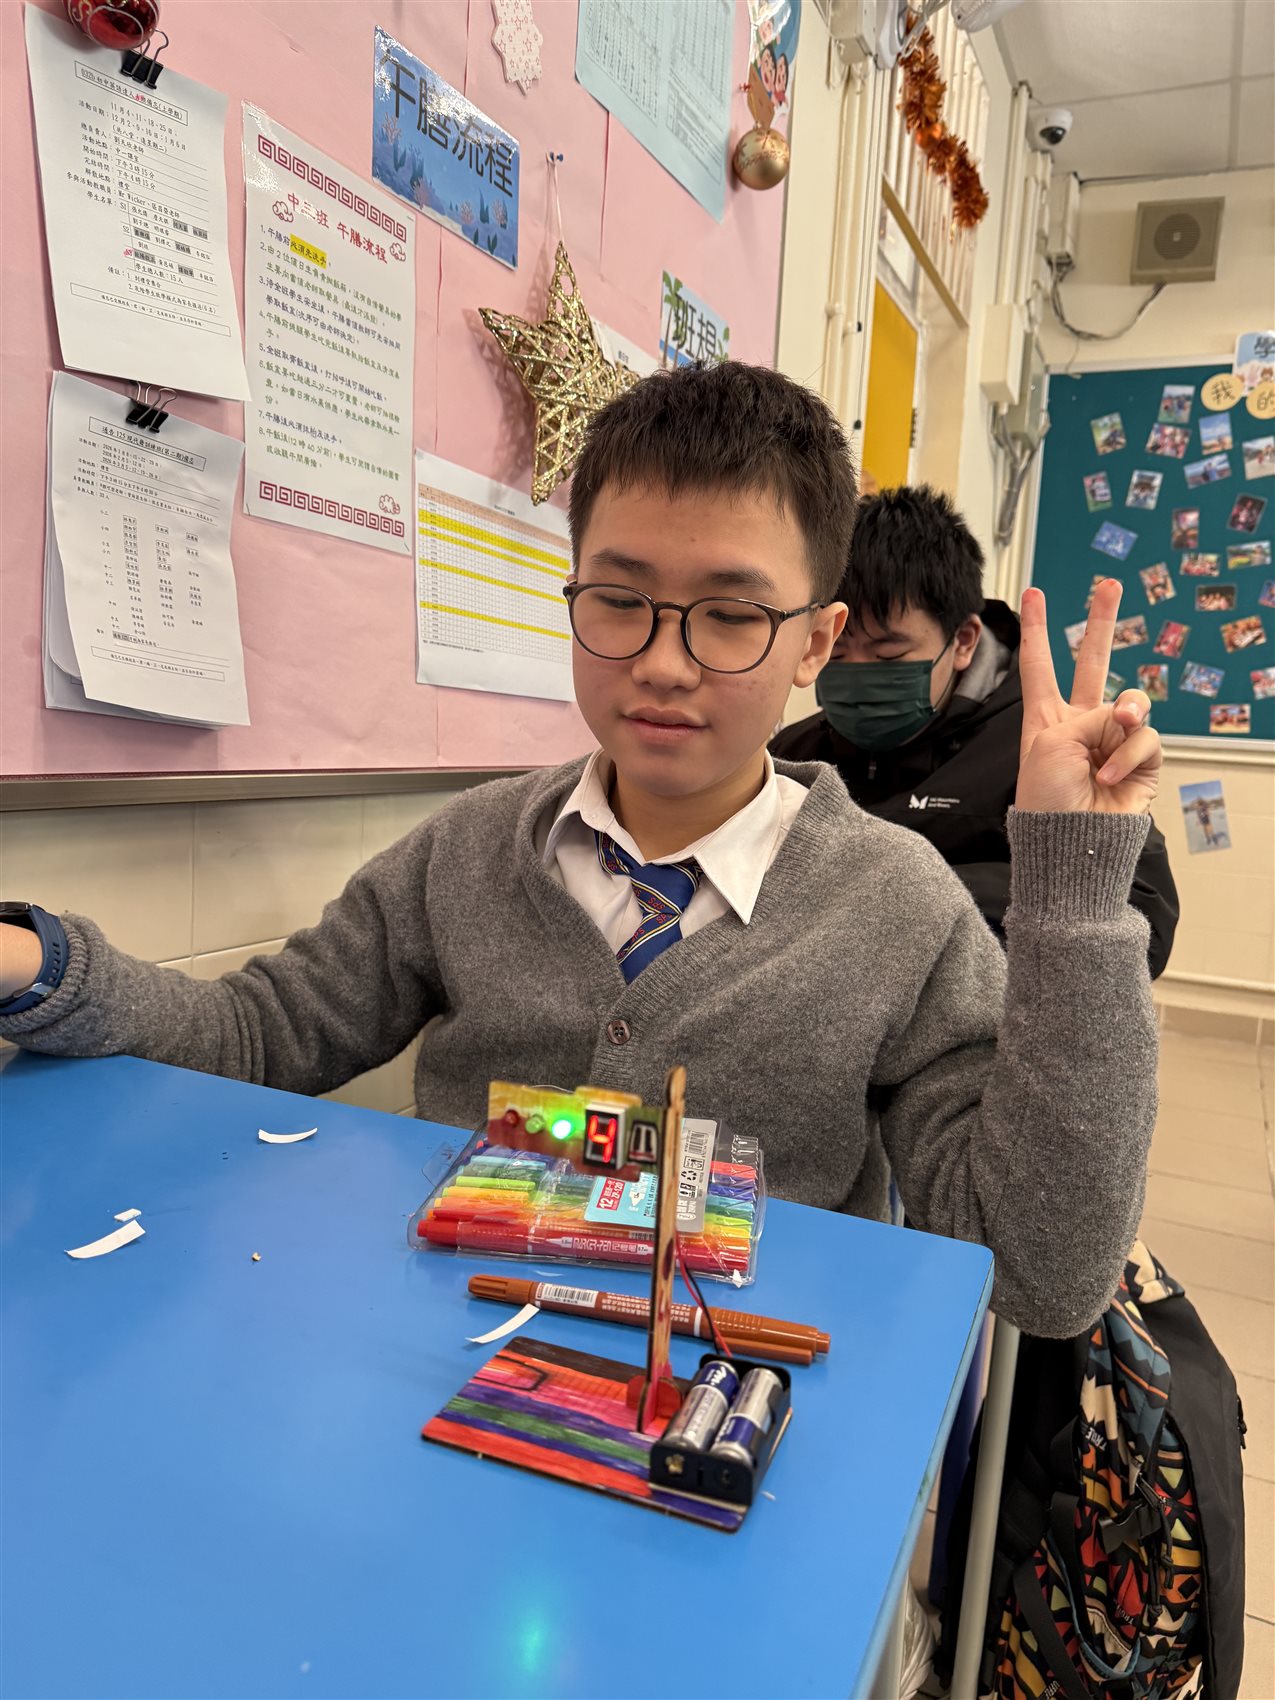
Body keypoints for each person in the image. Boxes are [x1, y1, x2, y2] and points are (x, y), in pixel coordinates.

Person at [0, 364, 1162, 1339]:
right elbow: (259, 1035)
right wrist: (37, 963)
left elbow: (1037, 1267)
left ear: (816, 641)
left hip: (747, 1406)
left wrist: (1075, 890)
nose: (661, 661)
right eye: (619, 599)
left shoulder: (897, 905)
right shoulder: (468, 849)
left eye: (730, 613)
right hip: (441, 1351)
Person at [772, 485, 1179, 975]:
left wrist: (1081, 845)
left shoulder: (1045, 752)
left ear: (963, 640)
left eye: (888, 655)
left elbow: (1144, 934)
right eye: (837, 653)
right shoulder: (792, 755)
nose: (859, 674)